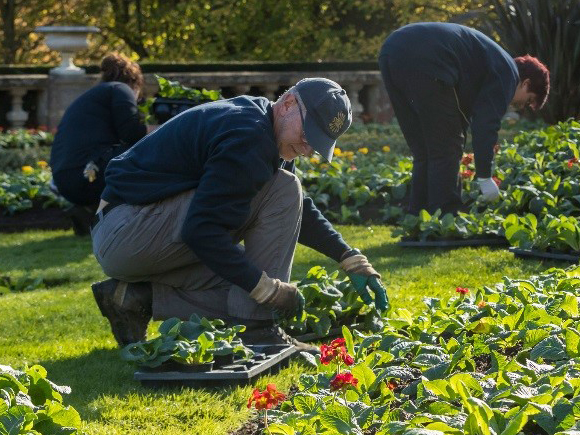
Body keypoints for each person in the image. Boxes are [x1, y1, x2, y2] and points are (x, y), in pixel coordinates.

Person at [89, 78, 389, 350]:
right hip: (127, 229)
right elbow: (201, 230)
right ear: (287, 104)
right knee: (281, 198)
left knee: (240, 291)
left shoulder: (263, 128)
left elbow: (300, 209)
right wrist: (267, 290)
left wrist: (350, 258)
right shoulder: (248, 136)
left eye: (319, 141)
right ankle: (259, 330)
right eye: (309, 132)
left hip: (131, 235)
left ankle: (134, 299)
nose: (309, 146)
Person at [378, 22, 550, 215]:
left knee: (424, 149)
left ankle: (418, 219)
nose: (520, 107)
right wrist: (485, 177)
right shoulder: (508, 75)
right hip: (428, 58)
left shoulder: (491, 64)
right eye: (528, 101)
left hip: (392, 50)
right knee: (447, 147)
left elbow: (464, 115)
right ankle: (445, 219)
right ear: (525, 83)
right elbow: (485, 125)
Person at [49, 54, 149, 235]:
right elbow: (133, 133)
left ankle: (90, 213)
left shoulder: (96, 95)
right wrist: (165, 128)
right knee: (148, 152)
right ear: (135, 81)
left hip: (67, 179)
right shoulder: (121, 89)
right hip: (86, 175)